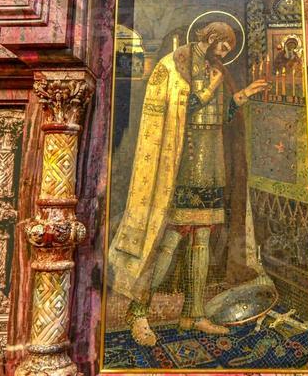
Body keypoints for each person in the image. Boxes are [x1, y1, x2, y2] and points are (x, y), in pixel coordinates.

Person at [108, 21, 270, 347]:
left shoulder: (215, 68)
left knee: (203, 238)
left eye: (227, 48)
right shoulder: (174, 66)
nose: (224, 52)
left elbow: (220, 113)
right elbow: (179, 110)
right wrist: (208, 90)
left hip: (211, 163)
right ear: (210, 37)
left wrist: (240, 97)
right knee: (167, 240)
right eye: (222, 45)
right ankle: (138, 311)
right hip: (179, 164)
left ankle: (193, 314)